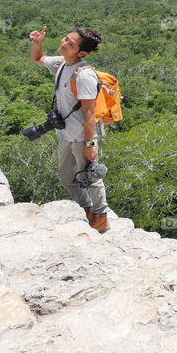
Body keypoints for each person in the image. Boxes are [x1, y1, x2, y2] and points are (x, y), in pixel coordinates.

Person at [29, 25, 110, 233]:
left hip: (84, 135)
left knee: (90, 178)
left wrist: (90, 144)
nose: (64, 44)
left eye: (71, 44)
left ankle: (101, 217)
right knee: (66, 178)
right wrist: (37, 44)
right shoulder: (61, 64)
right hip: (65, 133)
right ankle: (86, 210)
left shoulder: (84, 75)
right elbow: (38, 59)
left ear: (82, 52)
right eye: (66, 39)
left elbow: (90, 112)